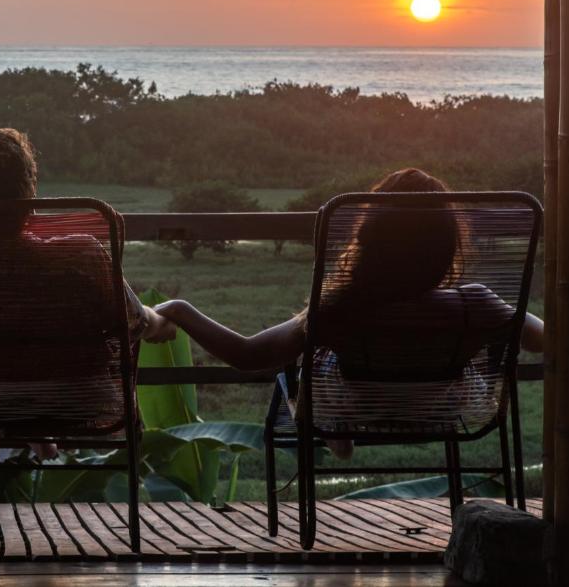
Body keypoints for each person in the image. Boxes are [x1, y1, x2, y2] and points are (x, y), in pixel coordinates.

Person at [154, 168, 543, 458]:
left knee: (310, 357)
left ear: (370, 239)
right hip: (442, 408)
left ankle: (335, 426)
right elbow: (545, 339)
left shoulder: (343, 308)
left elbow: (249, 355)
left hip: (357, 405)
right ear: (446, 245)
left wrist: (180, 309)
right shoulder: (476, 302)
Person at [0, 128, 176, 457]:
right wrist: (168, 318)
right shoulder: (83, 256)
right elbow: (137, 323)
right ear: (30, 203)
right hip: (75, 404)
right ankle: (39, 435)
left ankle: (31, 436)